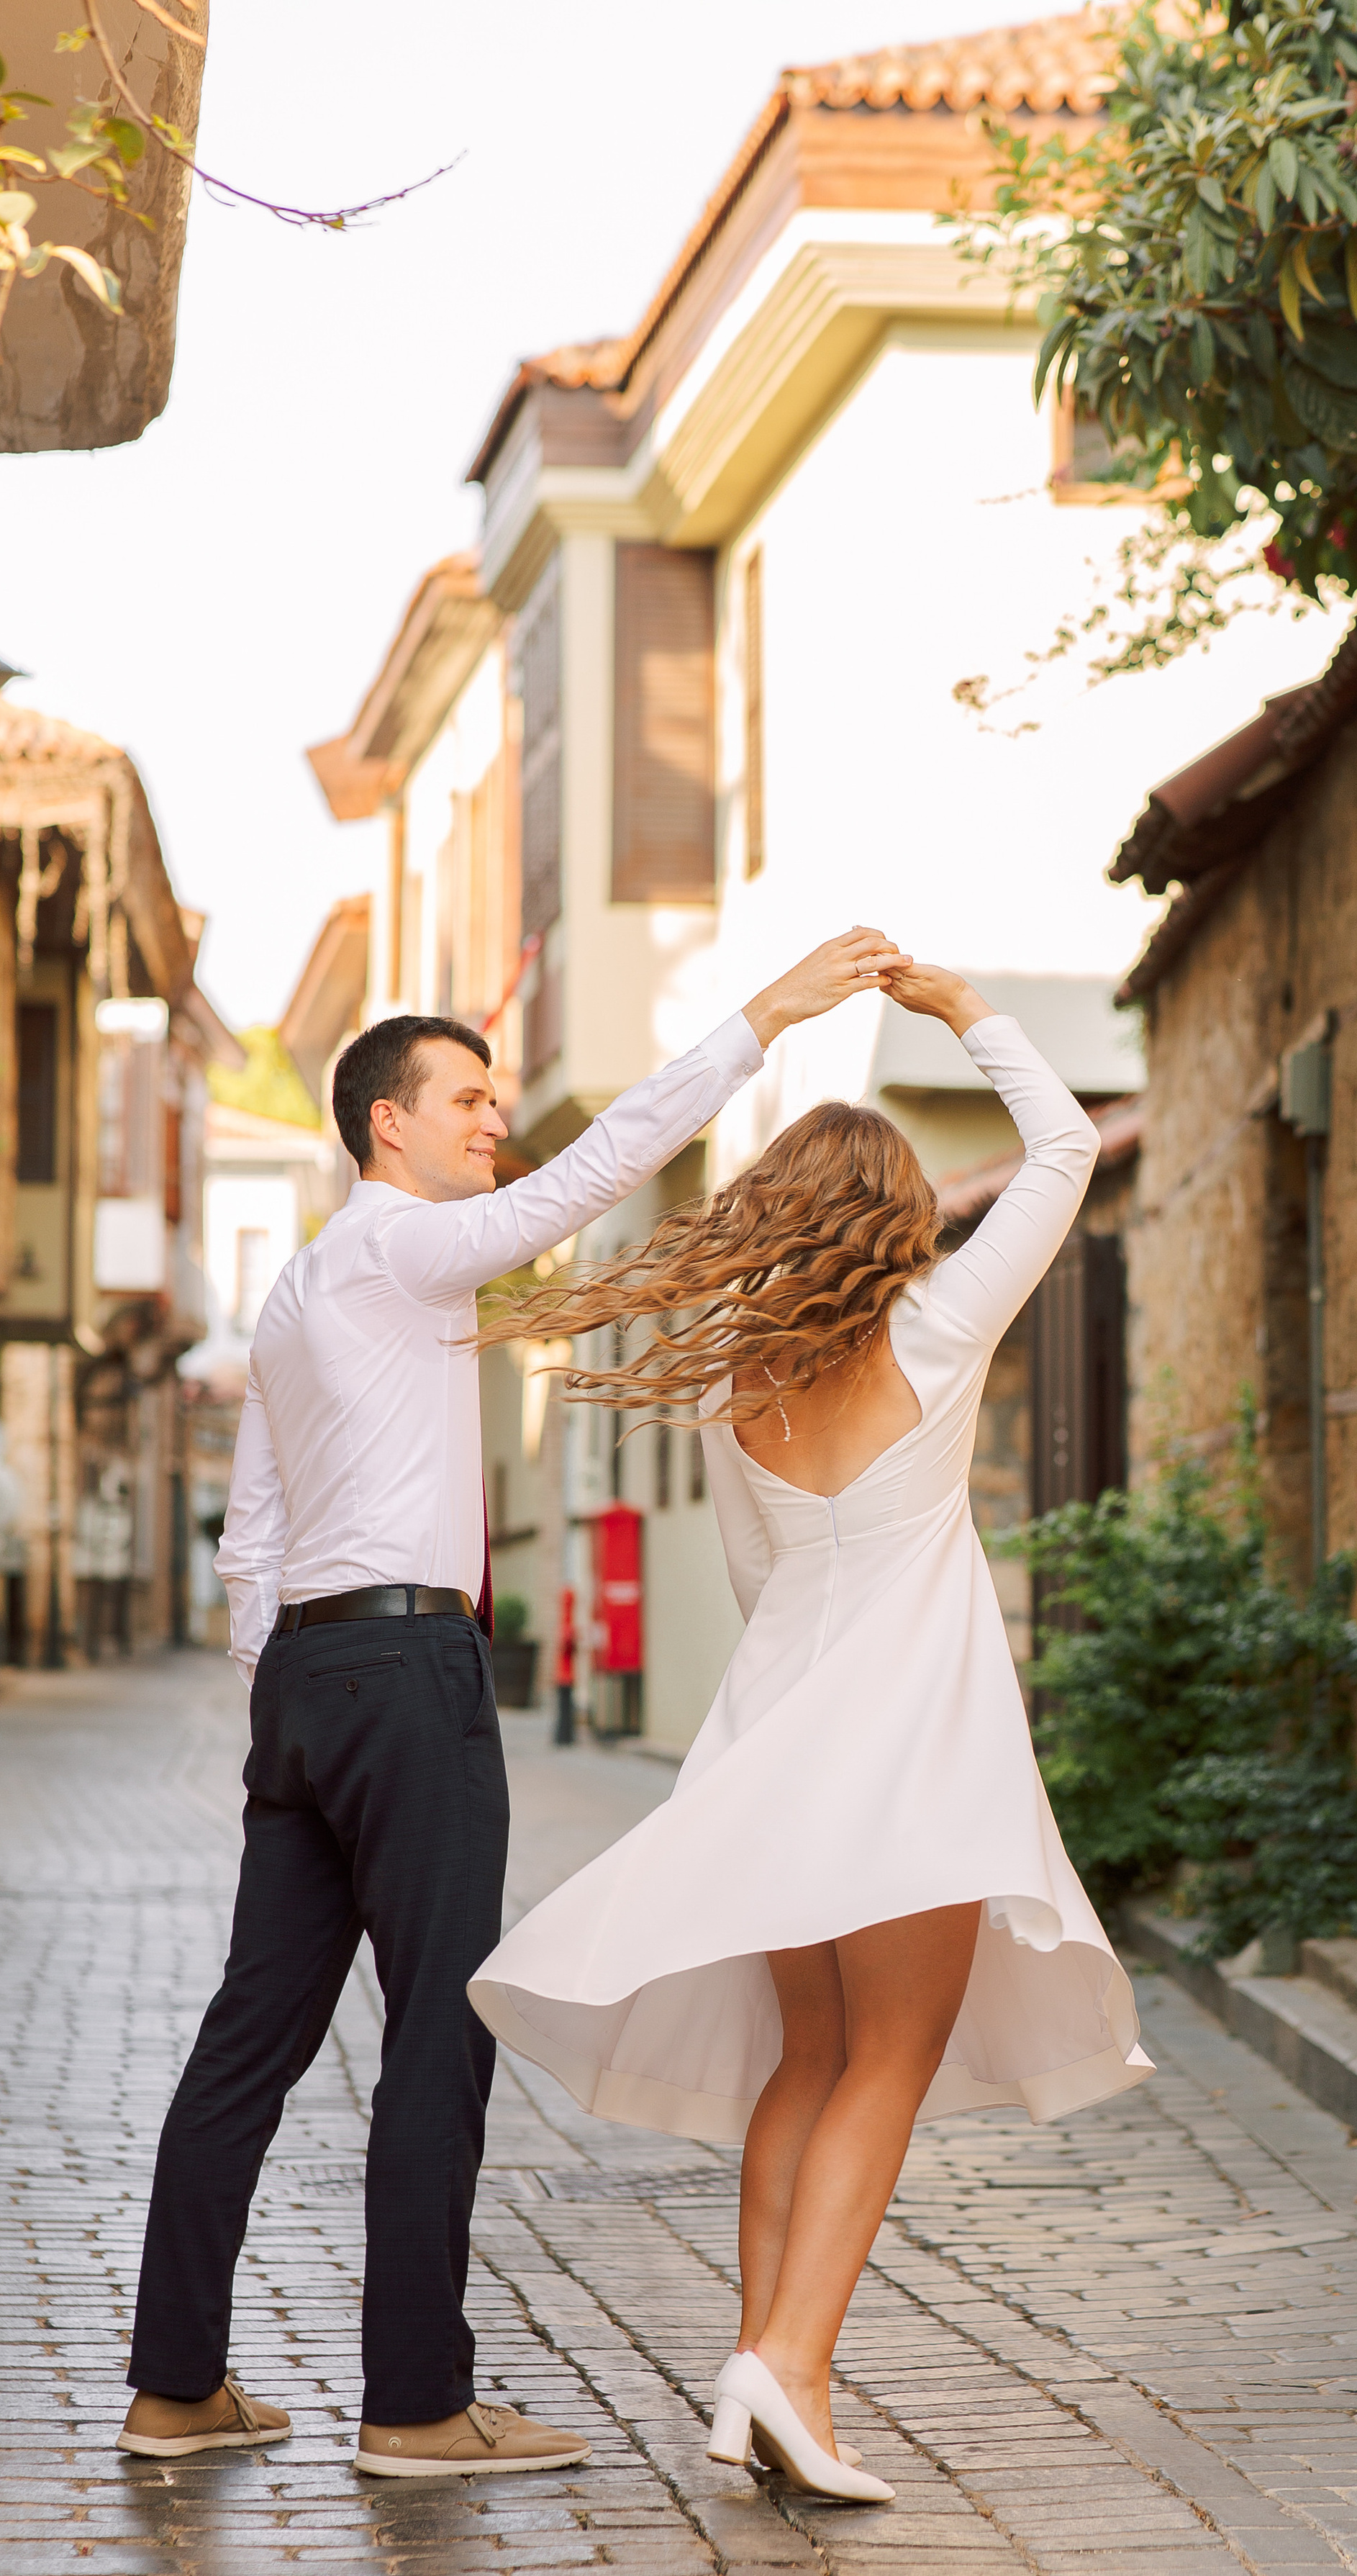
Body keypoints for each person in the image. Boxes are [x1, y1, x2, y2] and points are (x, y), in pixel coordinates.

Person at [116, 928, 901, 2480]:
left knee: (247, 2043)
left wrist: (279, 1688)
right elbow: (597, 1171)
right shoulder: (405, 1248)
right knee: (437, 2035)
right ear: (385, 1124)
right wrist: (764, 1017)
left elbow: (251, 1537)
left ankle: (174, 2388)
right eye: (465, 1098)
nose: (492, 1120)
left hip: (308, 1683)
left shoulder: (296, 1291)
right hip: (407, 1673)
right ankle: (416, 2409)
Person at [468, 964, 1153, 2504]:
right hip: (914, 1756)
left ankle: (771, 2375)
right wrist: (960, 1008)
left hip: (776, 1748)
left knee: (812, 2058)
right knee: (889, 2063)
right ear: (899, 1224)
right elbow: (1063, 1148)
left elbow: (756, 1581)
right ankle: (787, 2367)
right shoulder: (939, 1327)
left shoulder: (741, 1386)